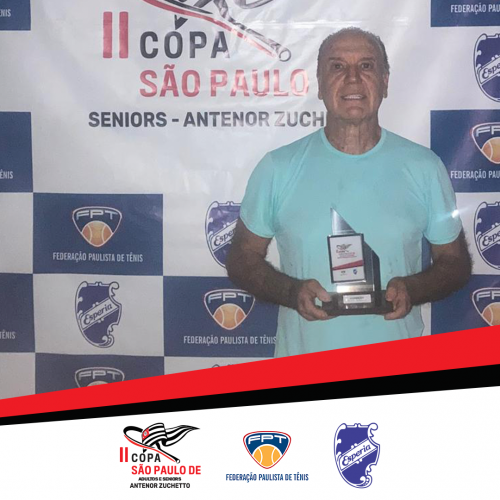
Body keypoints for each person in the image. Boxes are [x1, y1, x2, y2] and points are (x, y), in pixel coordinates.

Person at [226, 27, 471, 357]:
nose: (353, 78)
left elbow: (454, 262)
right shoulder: (277, 167)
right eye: (337, 66)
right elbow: (242, 259)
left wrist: (413, 288)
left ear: (385, 82)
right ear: (320, 83)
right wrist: (291, 292)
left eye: (366, 66)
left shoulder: (425, 167)